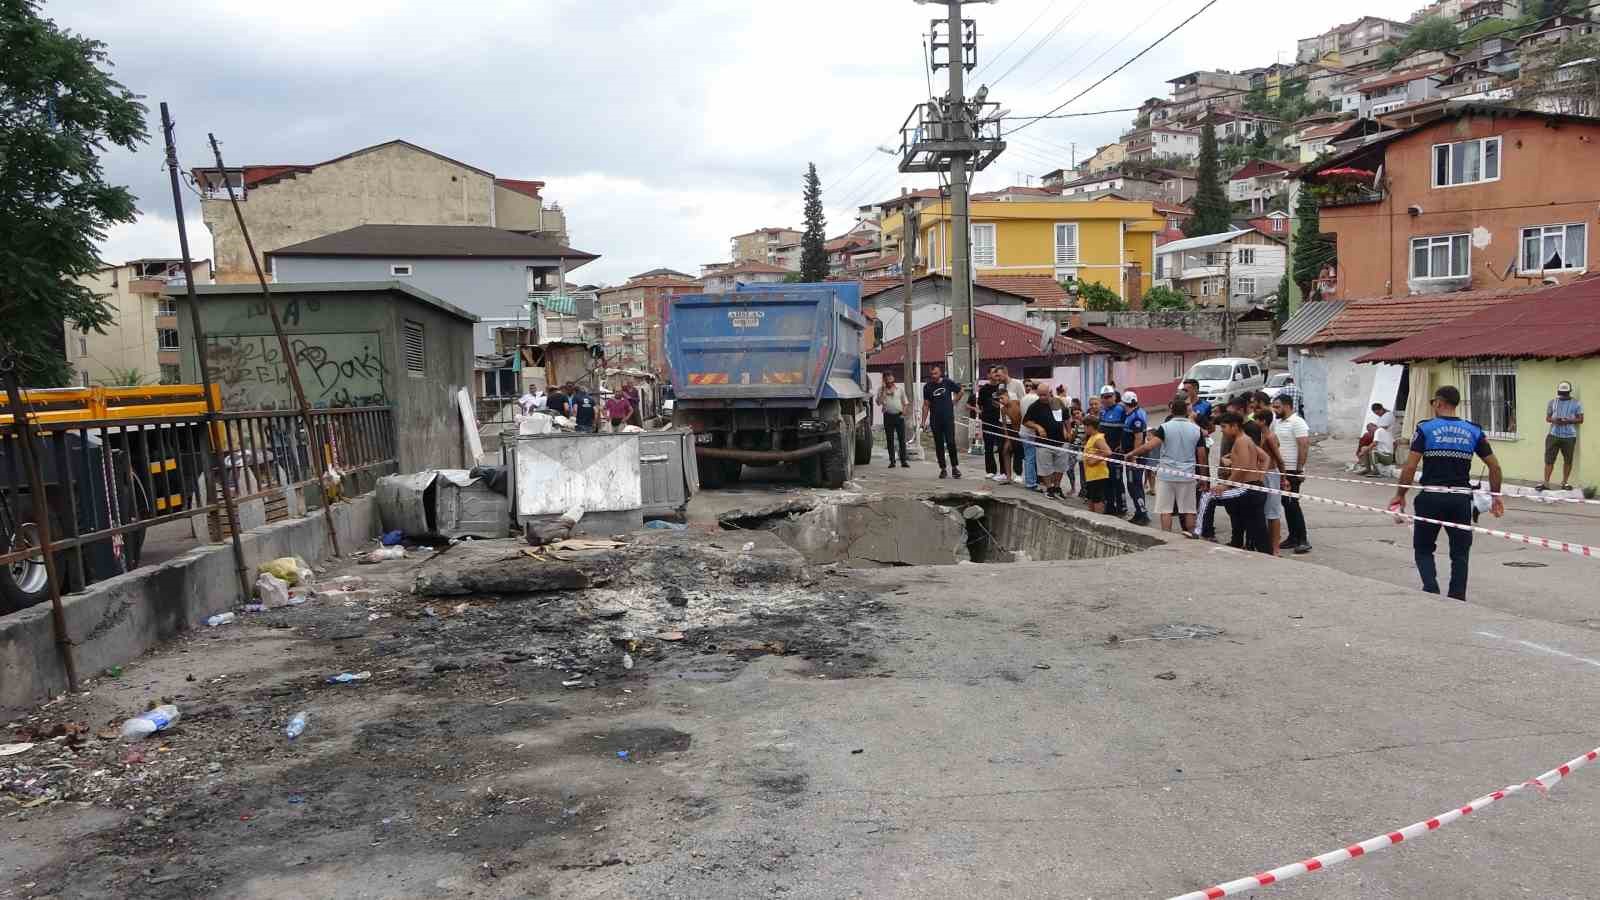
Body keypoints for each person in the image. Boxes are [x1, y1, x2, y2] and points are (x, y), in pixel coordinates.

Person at [1391, 385, 1504, 601]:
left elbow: (1410, 466)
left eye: (1434, 402)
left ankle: (1431, 587)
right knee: (1460, 553)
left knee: (1423, 548)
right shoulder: (1474, 431)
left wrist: (1400, 494)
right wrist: (1496, 495)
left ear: (1439, 403)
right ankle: (1457, 595)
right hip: (1461, 500)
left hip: (1430, 497)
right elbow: (1495, 467)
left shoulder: (1426, 429)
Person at [1127, 397, 1205, 535]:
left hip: (1166, 474)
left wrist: (1132, 453)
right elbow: (1202, 455)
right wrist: (1203, 477)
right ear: (1187, 411)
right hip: (1188, 474)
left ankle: (1167, 537)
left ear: (1171, 410)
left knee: (1166, 509)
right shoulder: (1196, 429)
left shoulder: (1165, 427)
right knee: (1189, 509)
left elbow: (1148, 446)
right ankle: (1193, 536)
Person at [1213, 412, 1271, 554]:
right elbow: (1265, 458)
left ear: (1235, 426)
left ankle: (1266, 555)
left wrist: (1226, 485)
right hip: (1250, 486)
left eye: (1224, 427)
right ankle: (1240, 543)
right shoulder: (1245, 440)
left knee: (1257, 527)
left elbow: (1244, 465)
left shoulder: (1242, 441)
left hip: (1249, 488)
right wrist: (1260, 476)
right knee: (1247, 522)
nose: (1222, 430)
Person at [1272, 395, 1312, 554]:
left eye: (1277, 407)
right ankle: (1293, 537)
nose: (1275, 410)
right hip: (1282, 470)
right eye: (1274, 407)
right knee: (1286, 504)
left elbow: (1304, 446)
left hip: (1293, 470)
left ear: (1287, 406)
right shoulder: (1279, 422)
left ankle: (1303, 539)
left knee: (1292, 504)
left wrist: (1299, 469)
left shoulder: (1297, 422)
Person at [1022, 382, 1069, 499]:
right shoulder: (1035, 406)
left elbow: (1066, 418)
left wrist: (1069, 431)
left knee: (1060, 466)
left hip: (1060, 441)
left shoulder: (1058, 402)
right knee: (1045, 468)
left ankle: (1057, 487)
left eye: (1044, 395)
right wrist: (1038, 427)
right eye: (1040, 395)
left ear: (1050, 392)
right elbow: (1026, 421)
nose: (1042, 397)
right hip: (1043, 443)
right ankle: (1049, 488)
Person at [1253, 409, 1288, 555]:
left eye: (1256, 419)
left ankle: (1275, 548)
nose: (1254, 422)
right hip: (1265, 474)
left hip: (1271, 475)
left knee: (1273, 512)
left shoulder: (1270, 437)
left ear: (1263, 421)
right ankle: (1269, 546)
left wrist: (1283, 478)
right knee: (1267, 511)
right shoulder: (1263, 435)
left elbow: (1279, 459)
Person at [920, 365, 963, 479]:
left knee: (950, 442)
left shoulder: (947, 382)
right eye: (932, 374)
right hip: (935, 420)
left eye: (936, 373)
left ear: (940, 373)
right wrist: (923, 422)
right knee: (939, 445)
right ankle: (943, 469)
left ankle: (954, 467)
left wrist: (953, 402)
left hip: (948, 418)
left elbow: (960, 391)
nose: (933, 376)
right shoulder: (927, 387)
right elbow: (926, 405)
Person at [1542, 381, 1584, 491]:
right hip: (1553, 435)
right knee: (1549, 460)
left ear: (1569, 392)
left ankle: (1564, 483)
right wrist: (1554, 420)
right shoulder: (1552, 402)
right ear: (1558, 391)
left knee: (1568, 460)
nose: (1563, 395)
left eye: (1565, 393)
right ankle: (1546, 483)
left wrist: (1569, 420)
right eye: (1562, 393)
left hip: (1569, 436)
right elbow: (1548, 418)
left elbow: (1581, 419)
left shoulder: (1576, 403)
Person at [1120, 391, 1150, 526]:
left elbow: (1138, 439)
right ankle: (1139, 512)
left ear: (1124, 403)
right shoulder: (1133, 413)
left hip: (1135, 457)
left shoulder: (1136, 417)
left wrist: (1133, 456)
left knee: (1134, 486)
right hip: (1131, 455)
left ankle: (1142, 514)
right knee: (1133, 485)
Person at [1097, 387, 1127, 515]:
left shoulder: (1121, 410)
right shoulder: (1102, 411)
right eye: (1104, 397)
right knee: (1106, 479)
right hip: (1104, 452)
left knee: (1117, 481)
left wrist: (1121, 444)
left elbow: (1126, 431)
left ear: (1114, 397)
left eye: (1109, 396)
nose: (1106, 399)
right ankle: (1110, 506)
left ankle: (1121, 507)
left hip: (1116, 453)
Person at [978, 368, 1010, 483]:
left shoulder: (1002, 388)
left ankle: (1003, 472)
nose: (996, 374)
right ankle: (990, 470)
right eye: (993, 372)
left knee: (1002, 447)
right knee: (988, 446)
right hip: (987, 421)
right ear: (988, 375)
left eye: (997, 373)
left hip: (1000, 421)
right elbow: (980, 406)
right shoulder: (984, 389)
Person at [1081, 415, 1112, 514]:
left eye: (1085, 427)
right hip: (1091, 475)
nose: (1084, 429)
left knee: (1097, 500)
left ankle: (1099, 520)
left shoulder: (1098, 438)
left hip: (1098, 475)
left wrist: (1094, 461)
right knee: (1091, 499)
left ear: (1090, 426)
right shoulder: (1092, 437)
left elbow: (1107, 452)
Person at [879, 372, 910, 469]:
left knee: (902, 439)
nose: (889, 381)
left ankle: (903, 461)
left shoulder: (899, 389)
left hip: (899, 416)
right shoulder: (881, 390)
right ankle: (892, 461)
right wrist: (883, 390)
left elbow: (905, 402)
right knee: (890, 439)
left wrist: (904, 412)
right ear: (884, 380)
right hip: (888, 416)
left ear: (893, 379)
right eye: (887, 379)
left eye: (890, 378)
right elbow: (878, 402)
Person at [1018, 382, 1041, 489]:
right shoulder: (1036, 399)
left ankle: (1031, 480)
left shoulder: (1024, 398)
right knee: (1031, 458)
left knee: (1029, 457)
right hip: (1032, 432)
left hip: (1023, 431)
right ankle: (1031, 482)